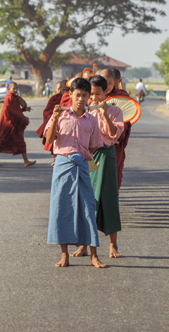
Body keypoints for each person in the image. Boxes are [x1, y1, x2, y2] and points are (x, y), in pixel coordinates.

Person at [44, 77, 107, 268]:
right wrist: (54, 118)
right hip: (63, 165)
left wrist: (83, 157)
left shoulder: (91, 120)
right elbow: (49, 138)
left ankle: (94, 255)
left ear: (89, 98)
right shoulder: (60, 116)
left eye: (85, 96)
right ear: (70, 95)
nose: (81, 99)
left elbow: (95, 145)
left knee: (88, 208)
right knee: (62, 208)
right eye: (77, 95)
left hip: (82, 166)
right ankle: (64, 255)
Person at [71, 75, 124, 259]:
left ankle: (112, 245)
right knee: (87, 200)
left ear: (105, 92)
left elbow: (113, 134)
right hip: (89, 157)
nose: (94, 98)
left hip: (107, 154)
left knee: (109, 199)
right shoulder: (85, 113)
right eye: (90, 95)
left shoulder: (115, 111)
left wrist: (104, 114)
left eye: (97, 94)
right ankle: (84, 245)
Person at [100, 69, 132, 190]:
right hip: (96, 143)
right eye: (103, 83)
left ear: (115, 82)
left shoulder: (122, 97)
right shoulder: (94, 95)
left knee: (113, 174)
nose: (105, 87)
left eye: (108, 83)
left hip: (115, 143)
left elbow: (127, 119)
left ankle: (111, 203)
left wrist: (120, 136)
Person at [0, 82, 36, 167]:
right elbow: (9, 110)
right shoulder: (8, 98)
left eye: (16, 88)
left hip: (15, 124)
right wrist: (20, 116)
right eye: (13, 88)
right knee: (2, 142)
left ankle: (26, 161)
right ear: (9, 89)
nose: (15, 90)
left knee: (21, 141)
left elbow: (17, 110)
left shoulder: (15, 98)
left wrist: (25, 109)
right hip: (8, 124)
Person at [37, 80, 67, 152]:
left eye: (68, 90)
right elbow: (46, 112)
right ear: (60, 89)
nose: (66, 92)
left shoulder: (72, 99)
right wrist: (56, 116)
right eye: (64, 90)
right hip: (55, 125)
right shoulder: (54, 98)